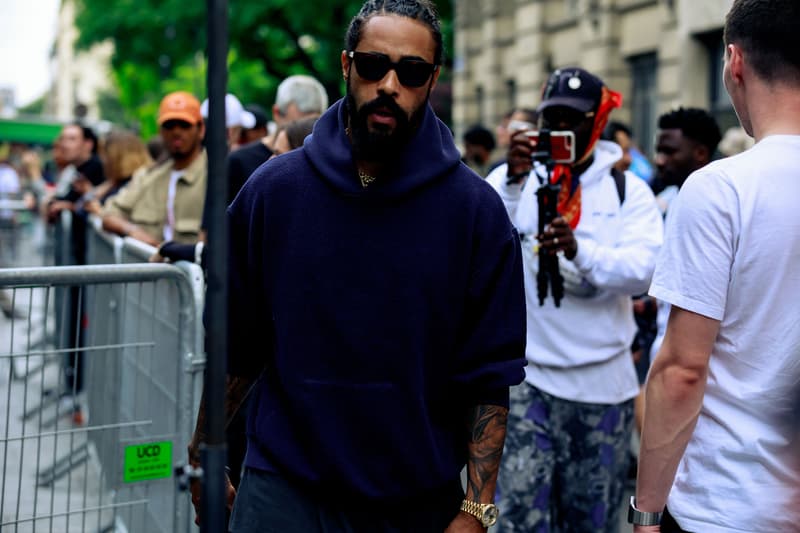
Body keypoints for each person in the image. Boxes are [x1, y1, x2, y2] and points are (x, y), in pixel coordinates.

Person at [188, 1, 527, 531]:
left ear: (432, 79)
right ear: (347, 65)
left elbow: (488, 376)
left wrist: (477, 507)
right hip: (283, 488)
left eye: (412, 71)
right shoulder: (274, 193)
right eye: (373, 65)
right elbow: (239, 344)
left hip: (414, 496)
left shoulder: (475, 212)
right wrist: (205, 452)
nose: (390, 84)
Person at [633, 1, 800, 531]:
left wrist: (646, 512)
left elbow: (682, 371)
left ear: (734, 62)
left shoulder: (720, 189)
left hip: (727, 503)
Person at [486, 67, 663, 532]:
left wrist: (579, 250)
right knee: (518, 520)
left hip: (603, 389)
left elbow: (644, 271)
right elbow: (482, 243)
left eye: (574, 118)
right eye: (551, 117)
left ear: (598, 120)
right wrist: (512, 182)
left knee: (590, 521)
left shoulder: (630, 192)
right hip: (528, 385)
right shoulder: (512, 179)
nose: (560, 128)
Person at [102, 91, 207, 246]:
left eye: (185, 125)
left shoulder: (217, 175)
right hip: (153, 268)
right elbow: (109, 215)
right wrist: (133, 231)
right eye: (169, 125)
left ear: (201, 130)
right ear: (160, 131)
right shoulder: (147, 177)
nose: (176, 132)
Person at [226, 74, 329, 204]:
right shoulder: (238, 162)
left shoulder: (326, 162)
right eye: (295, 125)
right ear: (276, 113)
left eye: (312, 125)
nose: (303, 133)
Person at [84, 130, 153, 215]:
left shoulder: (135, 182)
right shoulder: (116, 181)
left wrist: (99, 212)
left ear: (116, 157)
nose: (103, 160)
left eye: (105, 154)